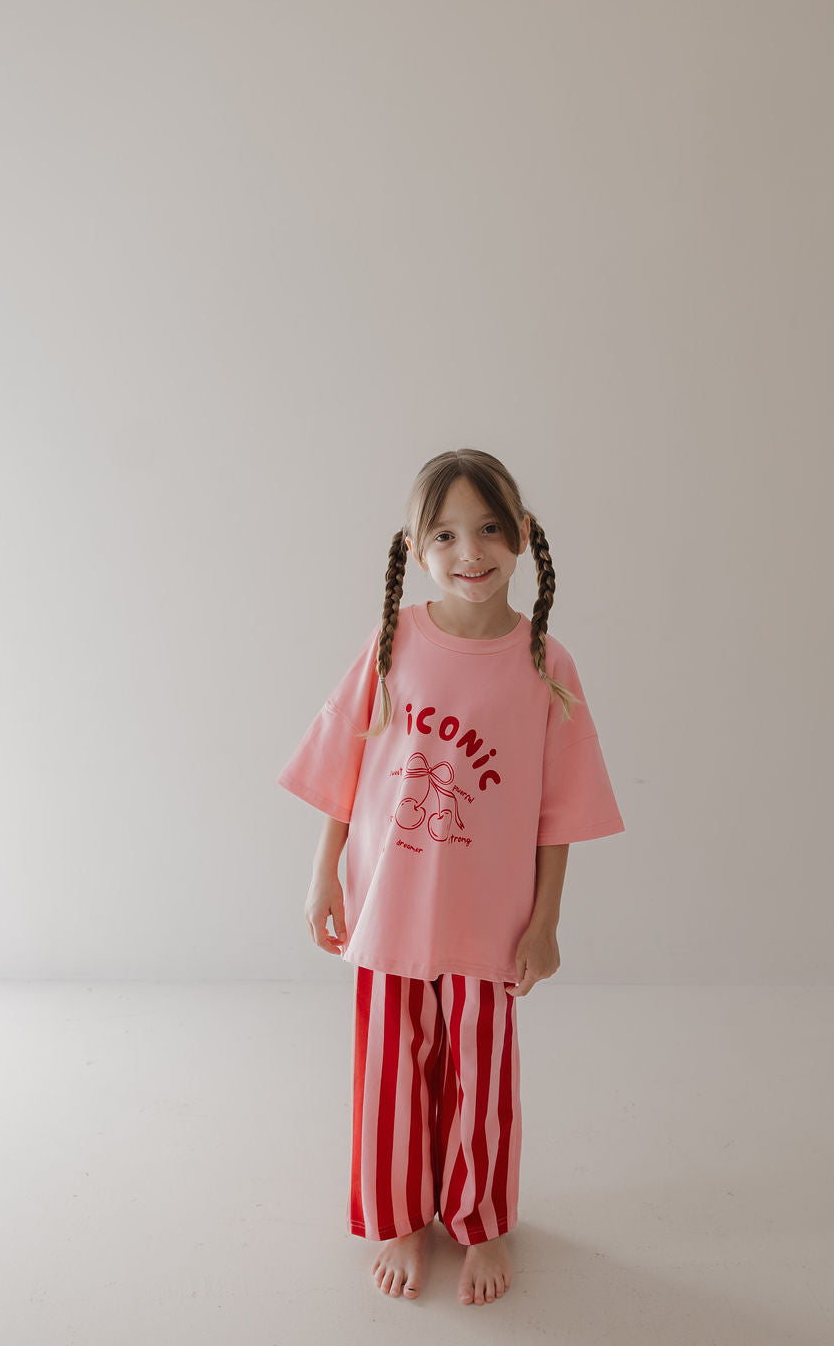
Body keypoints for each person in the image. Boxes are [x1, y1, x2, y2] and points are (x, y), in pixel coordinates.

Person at [276, 447, 625, 1306]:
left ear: (523, 536)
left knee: (481, 1081)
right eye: (446, 534)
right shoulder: (394, 641)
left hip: (487, 920)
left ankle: (480, 1222)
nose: (470, 551)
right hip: (389, 909)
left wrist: (544, 923)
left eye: (489, 529)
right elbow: (345, 768)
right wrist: (324, 876)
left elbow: (562, 815)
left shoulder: (548, 666)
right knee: (390, 1075)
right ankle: (399, 1216)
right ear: (416, 546)